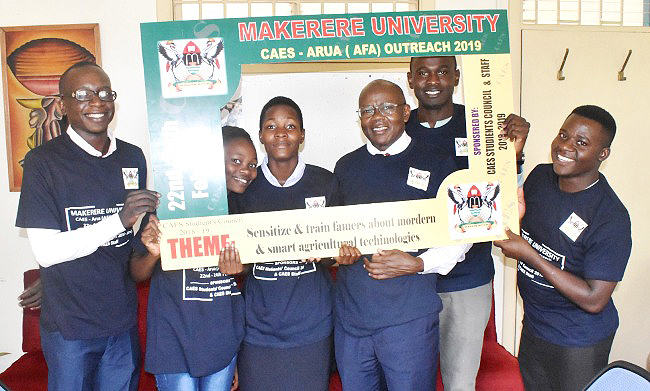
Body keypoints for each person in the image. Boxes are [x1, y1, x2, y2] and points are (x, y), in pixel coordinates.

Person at [15, 61, 159, 391]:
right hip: (70, 328)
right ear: (63, 105)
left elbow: (132, 252)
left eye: (105, 93)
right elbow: (48, 252)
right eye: (83, 94)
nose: (97, 102)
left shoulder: (133, 157)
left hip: (121, 324)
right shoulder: (43, 163)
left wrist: (153, 246)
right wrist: (118, 220)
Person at [333, 79, 470, 390]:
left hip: (409, 323)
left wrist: (418, 263)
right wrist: (338, 253)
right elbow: (335, 233)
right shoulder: (345, 167)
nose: (377, 117)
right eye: (367, 110)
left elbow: (463, 235)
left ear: (406, 112)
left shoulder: (439, 163)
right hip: (352, 322)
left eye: (387, 107)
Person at [406, 55, 530, 391]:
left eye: (443, 72)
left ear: (457, 77)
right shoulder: (397, 129)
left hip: (467, 281)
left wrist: (513, 155)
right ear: (410, 79)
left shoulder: (483, 125)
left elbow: (505, 201)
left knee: (460, 383)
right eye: (423, 73)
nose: (433, 81)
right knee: (408, 379)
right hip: (412, 281)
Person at [494, 105, 631, 391]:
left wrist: (529, 256)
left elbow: (595, 299)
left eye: (581, 143)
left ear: (602, 154)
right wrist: (514, 154)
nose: (565, 147)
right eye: (563, 135)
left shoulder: (610, 217)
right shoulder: (540, 178)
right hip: (535, 327)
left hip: (578, 342)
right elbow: (507, 217)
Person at [129, 126, 257, 391]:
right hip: (175, 338)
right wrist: (155, 255)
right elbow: (136, 273)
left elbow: (247, 273)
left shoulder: (243, 208)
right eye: (236, 160)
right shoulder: (170, 203)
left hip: (223, 339)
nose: (246, 170)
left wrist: (239, 269)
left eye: (252, 164)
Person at [228, 96, 338, 391]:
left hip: (312, 324)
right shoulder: (243, 186)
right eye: (271, 126)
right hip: (258, 327)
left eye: (290, 126)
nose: (281, 133)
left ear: (302, 135)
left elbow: (339, 247)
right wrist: (236, 264)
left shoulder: (325, 182)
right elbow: (237, 257)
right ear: (261, 134)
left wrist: (327, 253)